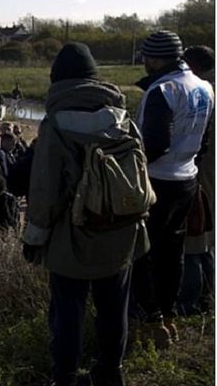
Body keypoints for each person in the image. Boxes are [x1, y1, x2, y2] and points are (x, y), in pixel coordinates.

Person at [21, 42, 151, 386]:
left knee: (68, 312)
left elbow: (45, 192)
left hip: (72, 236)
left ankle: (65, 377)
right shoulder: (122, 116)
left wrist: (34, 238)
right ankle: (111, 371)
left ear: (58, 79)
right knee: (113, 308)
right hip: (121, 229)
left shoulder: (57, 123)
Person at [131, 30, 214, 344]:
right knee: (173, 253)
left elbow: (155, 143)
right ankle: (168, 315)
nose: (144, 63)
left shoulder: (162, 89)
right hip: (187, 178)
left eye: (146, 57)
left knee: (143, 253)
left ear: (155, 57)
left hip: (157, 181)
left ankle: (149, 320)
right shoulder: (204, 87)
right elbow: (204, 139)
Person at [179, 45, 215, 315]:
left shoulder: (202, 92)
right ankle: (207, 298)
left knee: (194, 242)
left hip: (199, 176)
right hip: (208, 178)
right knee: (205, 244)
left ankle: (191, 304)